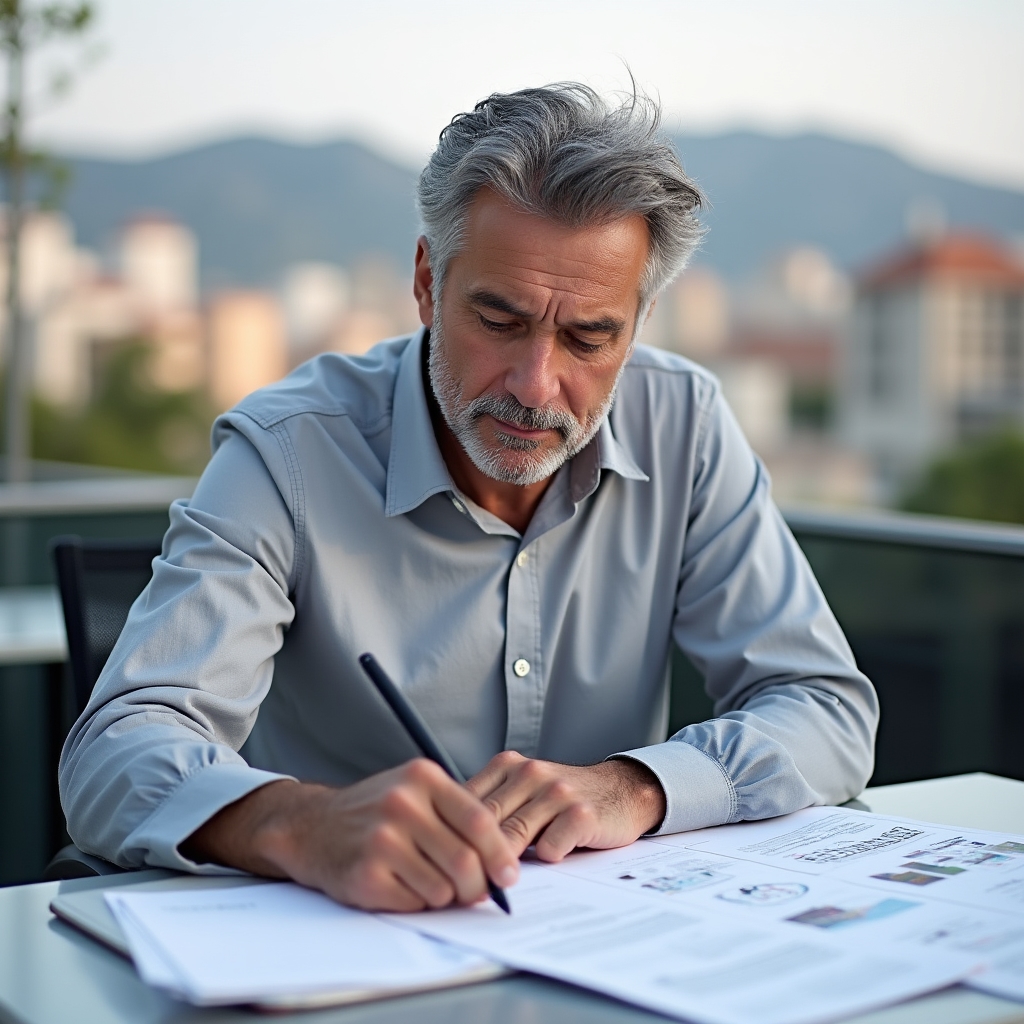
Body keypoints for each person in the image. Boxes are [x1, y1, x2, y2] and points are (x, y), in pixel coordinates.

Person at [59, 84, 878, 913]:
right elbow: (115, 752)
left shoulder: (688, 423)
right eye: (498, 320)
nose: (535, 385)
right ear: (426, 283)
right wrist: (303, 824)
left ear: (639, 319)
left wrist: (636, 788)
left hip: (603, 942)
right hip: (340, 944)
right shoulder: (288, 451)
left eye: (590, 337)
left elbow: (825, 708)